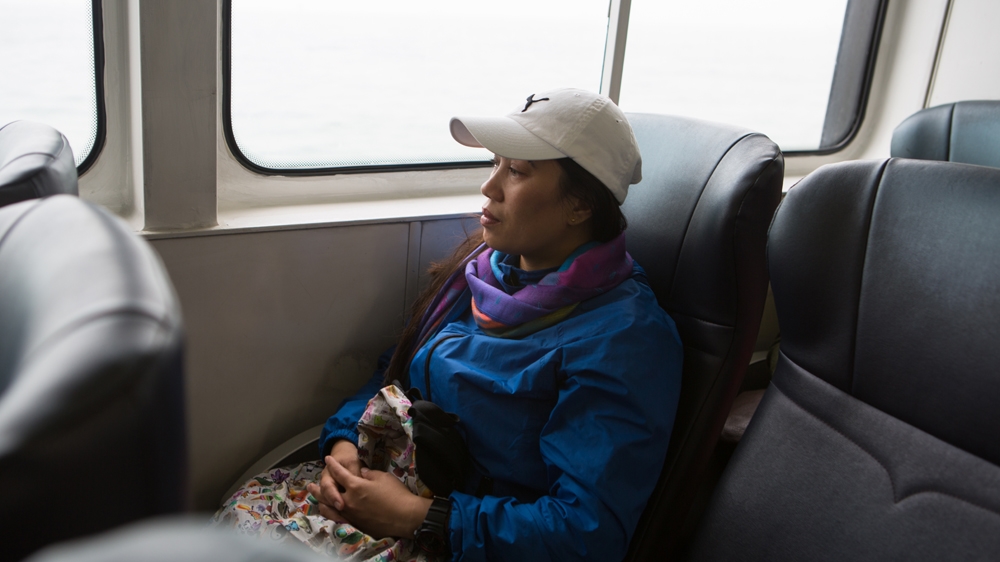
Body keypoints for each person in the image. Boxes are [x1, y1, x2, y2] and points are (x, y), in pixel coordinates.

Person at [309, 88, 682, 561]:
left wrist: (416, 516)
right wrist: (345, 448)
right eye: (495, 164)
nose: (490, 186)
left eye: (518, 171)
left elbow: (587, 532)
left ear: (581, 206)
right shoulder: (481, 270)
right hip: (391, 492)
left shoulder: (627, 339)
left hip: (468, 539)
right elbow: (394, 375)